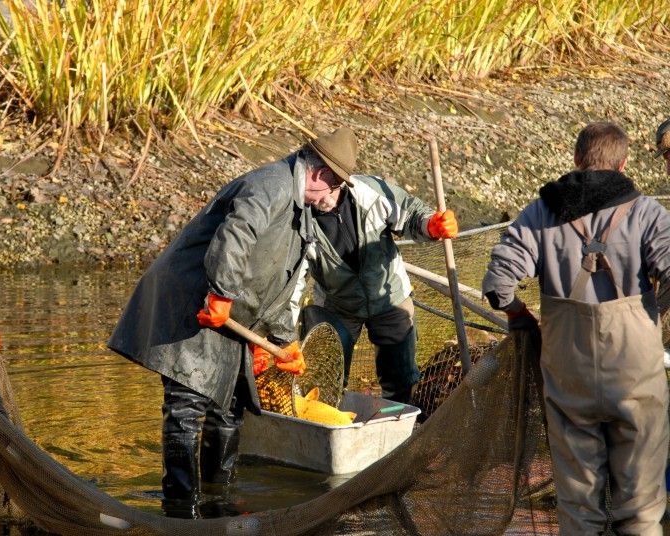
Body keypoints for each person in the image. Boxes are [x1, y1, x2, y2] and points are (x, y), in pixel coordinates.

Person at [108, 128, 367, 518]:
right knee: (187, 406)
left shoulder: (304, 212)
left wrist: (283, 341)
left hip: (232, 317)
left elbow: (282, 282)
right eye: (334, 185)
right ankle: (180, 508)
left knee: (229, 408)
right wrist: (222, 293)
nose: (333, 196)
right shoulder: (271, 184)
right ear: (318, 174)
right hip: (195, 302)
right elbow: (236, 234)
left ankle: (218, 500)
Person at [482, 121, 670, 535]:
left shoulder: (542, 212)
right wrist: (653, 311)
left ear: (576, 159)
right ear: (622, 165)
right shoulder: (647, 213)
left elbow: (497, 285)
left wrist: (519, 315)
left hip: (570, 382)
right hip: (636, 379)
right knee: (641, 507)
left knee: (578, 508)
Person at [294, 140, 458, 404]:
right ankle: (328, 429)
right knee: (324, 379)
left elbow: (412, 213)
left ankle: (400, 429)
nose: (321, 200)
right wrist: (284, 336)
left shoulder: (371, 191)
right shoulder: (300, 216)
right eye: (316, 191)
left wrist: (432, 226)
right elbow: (293, 281)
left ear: (341, 181)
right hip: (337, 304)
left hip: (389, 295)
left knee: (401, 378)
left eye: (330, 190)